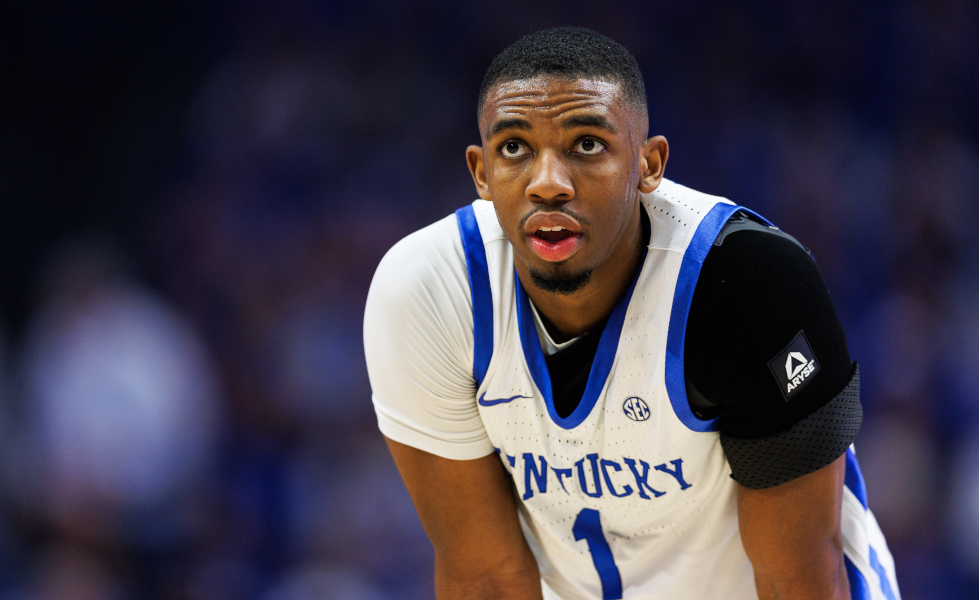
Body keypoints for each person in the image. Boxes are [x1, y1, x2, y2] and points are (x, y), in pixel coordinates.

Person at [364, 27, 898, 600]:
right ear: (481, 173)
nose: (548, 184)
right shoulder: (425, 292)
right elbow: (485, 576)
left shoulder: (750, 286)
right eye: (515, 148)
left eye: (587, 144)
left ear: (649, 165)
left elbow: (799, 581)